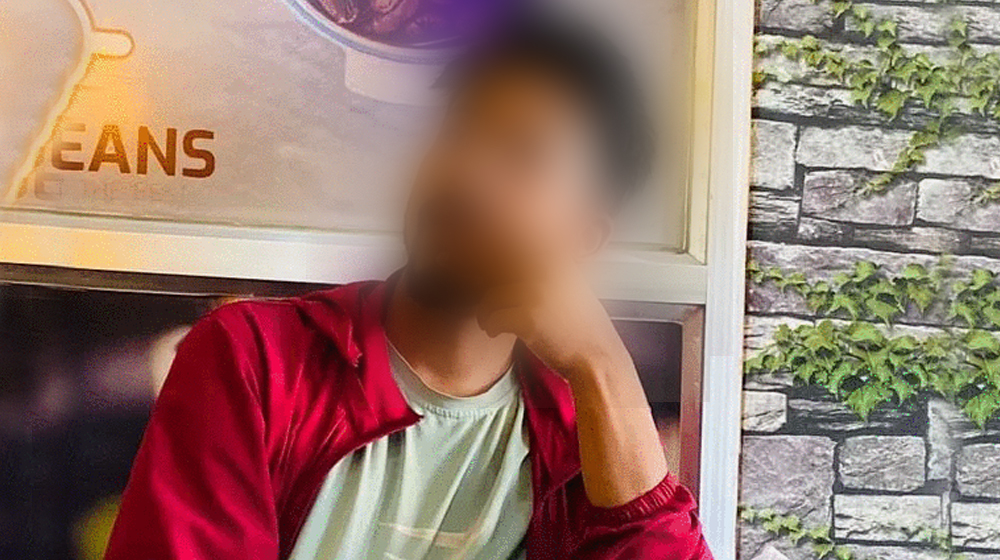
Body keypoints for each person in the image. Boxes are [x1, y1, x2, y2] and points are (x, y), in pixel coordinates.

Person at [105, 15, 712, 560]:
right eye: (460, 128)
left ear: (581, 236)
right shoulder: (257, 360)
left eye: (521, 154)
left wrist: (603, 367)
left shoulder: (583, 443)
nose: (468, 172)